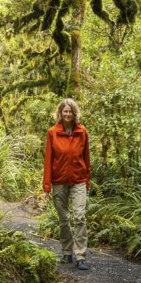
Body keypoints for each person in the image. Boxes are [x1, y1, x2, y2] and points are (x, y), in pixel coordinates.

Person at [43, 98, 91, 270]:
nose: (68, 114)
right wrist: (47, 185)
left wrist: (87, 180)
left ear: (75, 113)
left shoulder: (82, 132)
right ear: (60, 113)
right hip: (59, 181)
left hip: (78, 180)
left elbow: (86, 158)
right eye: (65, 111)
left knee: (79, 216)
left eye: (70, 111)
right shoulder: (52, 132)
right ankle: (67, 251)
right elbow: (48, 160)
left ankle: (80, 256)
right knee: (64, 219)